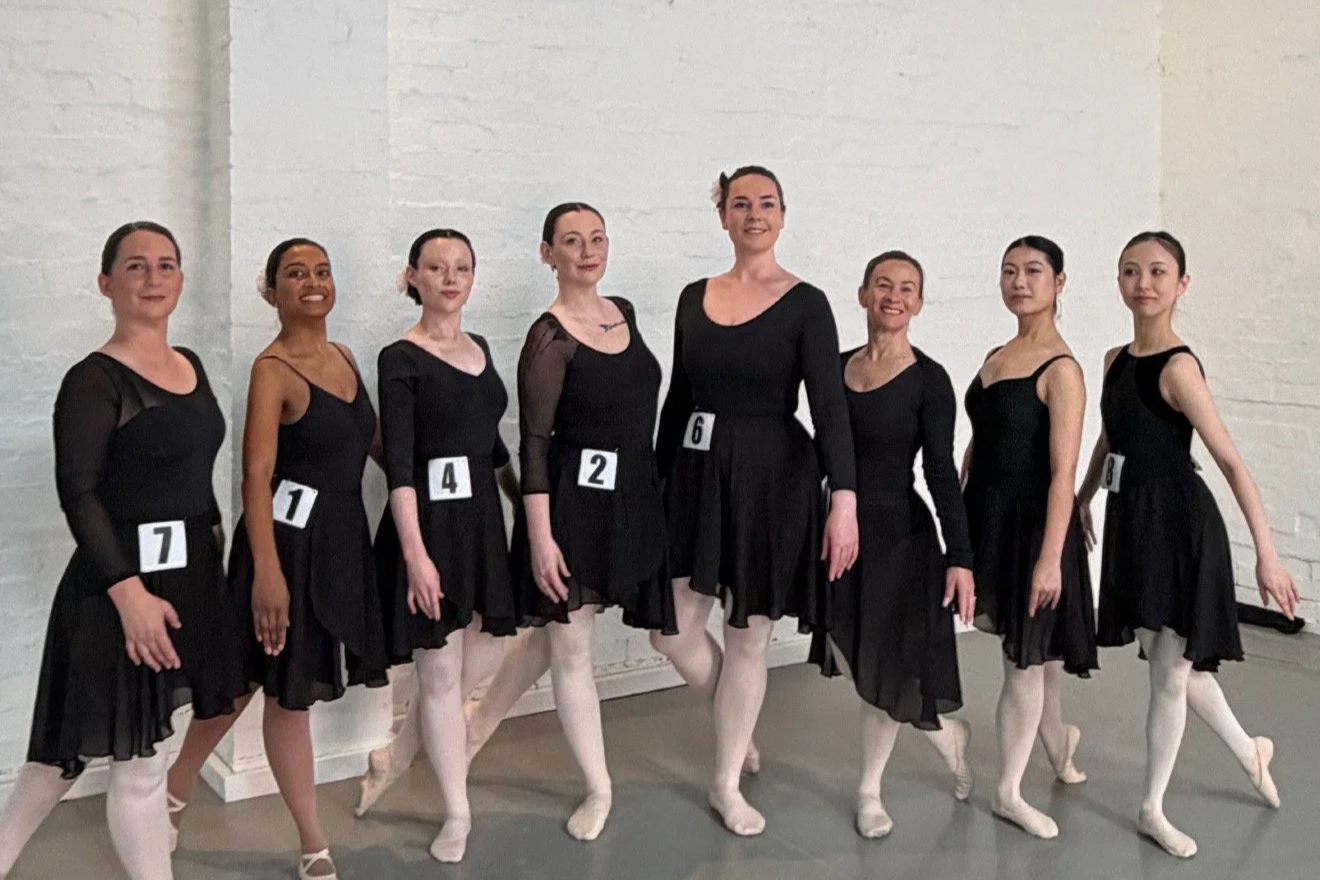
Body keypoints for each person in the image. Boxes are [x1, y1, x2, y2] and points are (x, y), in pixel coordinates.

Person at [0, 222, 247, 880]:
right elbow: (79, 494)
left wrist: (211, 572)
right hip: (117, 588)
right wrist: (129, 593)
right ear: (106, 283)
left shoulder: (190, 364)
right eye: (136, 266)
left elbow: (193, 480)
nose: (154, 278)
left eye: (166, 265)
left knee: (125, 758)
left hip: (187, 581)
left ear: (181, 279)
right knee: (90, 763)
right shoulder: (93, 380)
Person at [165, 238, 387, 880]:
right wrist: (267, 574)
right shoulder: (272, 370)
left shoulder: (345, 358)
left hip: (339, 541)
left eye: (322, 271)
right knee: (269, 690)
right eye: (295, 273)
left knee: (261, 685)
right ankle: (309, 840)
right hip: (285, 548)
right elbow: (255, 478)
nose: (313, 282)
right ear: (271, 291)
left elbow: (373, 444)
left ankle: (173, 791)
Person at [652, 166, 859, 836]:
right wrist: (658, 480)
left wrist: (844, 498)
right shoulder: (694, 297)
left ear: (783, 214)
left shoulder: (807, 304)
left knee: (748, 636)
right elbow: (679, 397)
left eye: (766, 203)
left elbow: (829, 408)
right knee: (670, 630)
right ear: (723, 216)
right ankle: (736, 726)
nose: (754, 214)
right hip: (697, 475)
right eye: (740, 203)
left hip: (774, 477)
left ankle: (725, 783)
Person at [1077, 231, 1296, 858]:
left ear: (1181, 284)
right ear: (1119, 280)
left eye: (1157, 271)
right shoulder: (1114, 360)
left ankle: (1152, 808)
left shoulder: (1178, 368)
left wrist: (1267, 554)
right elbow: (1110, 438)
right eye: (1131, 271)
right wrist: (1083, 498)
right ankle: (1250, 751)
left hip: (1178, 525)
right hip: (1133, 521)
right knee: (1166, 657)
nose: (1143, 283)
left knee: (1170, 673)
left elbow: (1231, 462)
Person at [502, 202, 676, 840]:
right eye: (571, 241)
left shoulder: (622, 311)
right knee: (572, 648)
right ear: (547, 254)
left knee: (563, 642)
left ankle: (467, 729)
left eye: (596, 238)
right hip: (572, 507)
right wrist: (541, 538)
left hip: (632, 498)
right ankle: (599, 788)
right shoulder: (549, 337)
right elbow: (535, 444)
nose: (587, 250)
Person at [352, 228, 519, 863]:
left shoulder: (482, 349)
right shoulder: (400, 357)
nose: (450, 279)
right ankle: (457, 812)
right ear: (413, 277)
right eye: (437, 268)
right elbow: (398, 464)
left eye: (461, 268)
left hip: (480, 526)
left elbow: (491, 446)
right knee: (443, 675)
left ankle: (396, 754)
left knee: (485, 653)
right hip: (427, 528)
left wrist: (525, 506)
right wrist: (415, 556)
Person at [810, 251, 975, 838]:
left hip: (900, 537)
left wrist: (961, 557)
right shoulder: (833, 369)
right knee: (852, 653)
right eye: (883, 285)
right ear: (863, 294)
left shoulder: (929, 380)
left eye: (907, 288)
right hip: (839, 530)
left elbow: (940, 472)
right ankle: (947, 737)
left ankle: (869, 792)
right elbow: (820, 451)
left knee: (884, 666)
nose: (894, 296)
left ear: (919, 304)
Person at [961, 235, 1097, 840]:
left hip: (1034, 527)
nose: (1019, 282)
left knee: (1026, 659)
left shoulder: (1062, 370)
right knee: (1035, 655)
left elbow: (1063, 472)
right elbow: (995, 422)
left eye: (1033, 271)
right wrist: (972, 452)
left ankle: (1008, 791)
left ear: (1058, 283)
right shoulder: (998, 354)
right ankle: (1061, 748)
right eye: (1009, 271)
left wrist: (1049, 559)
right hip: (989, 516)